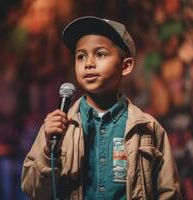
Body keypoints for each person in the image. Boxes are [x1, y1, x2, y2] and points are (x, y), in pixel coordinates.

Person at [21, 16, 182, 200]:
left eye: (100, 54)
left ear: (126, 66)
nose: (88, 63)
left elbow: (169, 193)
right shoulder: (58, 126)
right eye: (81, 56)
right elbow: (33, 189)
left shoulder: (148, 129)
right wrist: (50, 149)